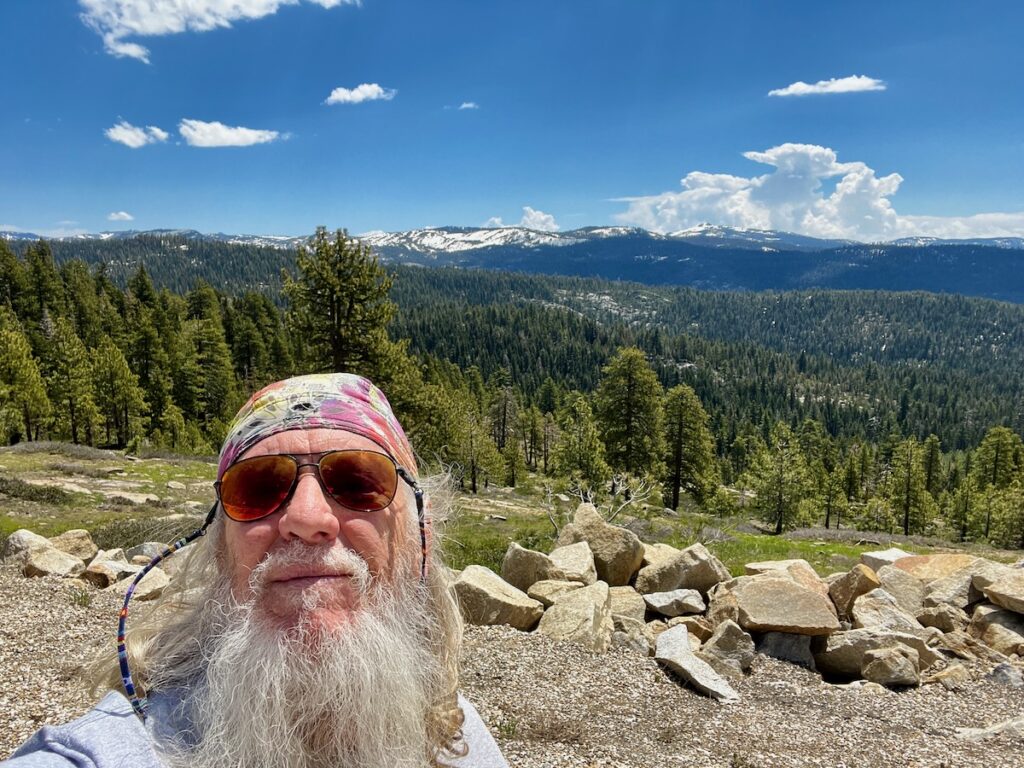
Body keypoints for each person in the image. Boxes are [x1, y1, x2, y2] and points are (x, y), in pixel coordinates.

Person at [4, 373, 509, 768]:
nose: (306, 518)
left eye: (358, 481)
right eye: (259, 488)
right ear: (221, 550)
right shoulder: (107, 751)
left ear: (422, 533)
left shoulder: (454, 727)